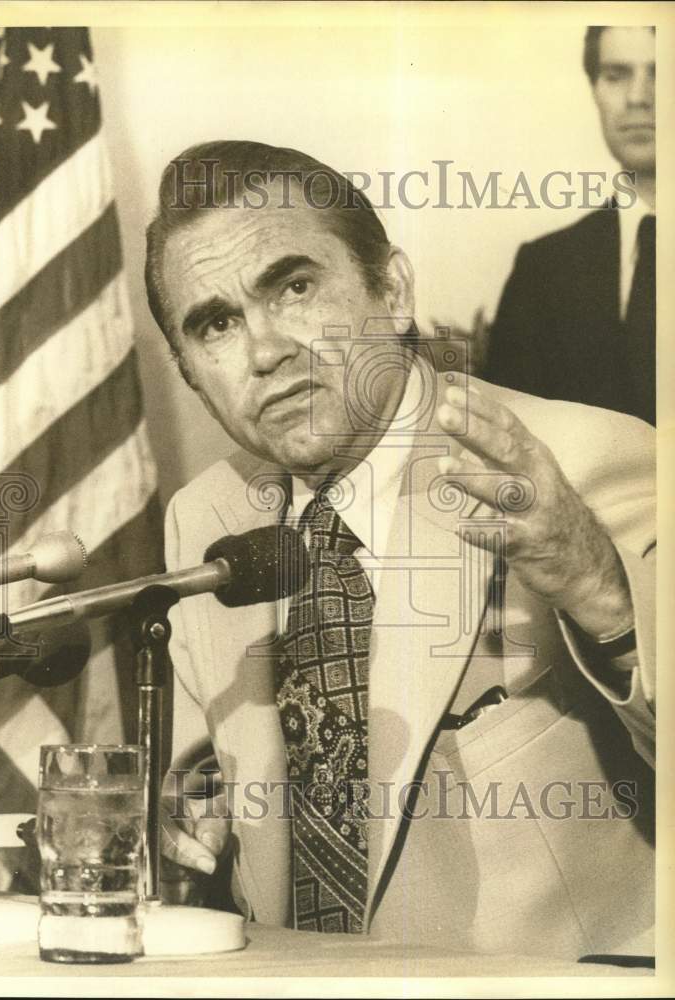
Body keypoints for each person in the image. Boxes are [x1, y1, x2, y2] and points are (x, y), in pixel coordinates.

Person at [145, 140, 655, 960]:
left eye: (296, 288)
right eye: (216, 324)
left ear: (393, 291)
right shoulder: (204, 515)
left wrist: (603, 592)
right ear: (191, 371)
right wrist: (194, 803)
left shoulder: (581, 457)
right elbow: (216, 774)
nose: (265, 350)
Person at [486, 26, 656, 425]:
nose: (637, 98)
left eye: (662, 73)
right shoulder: (542, 270)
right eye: (616, 75)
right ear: (595, 88)